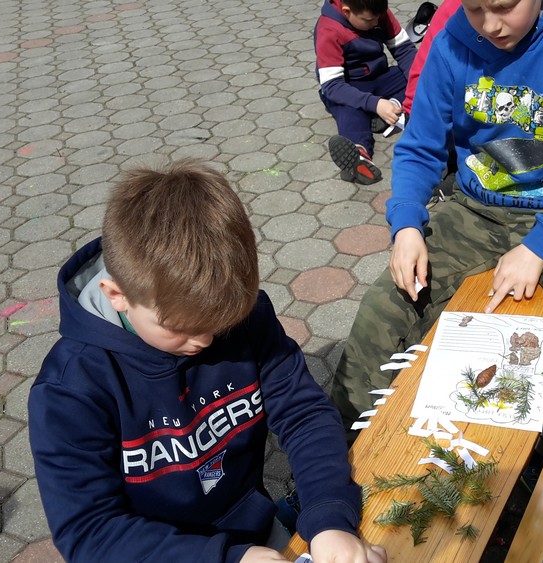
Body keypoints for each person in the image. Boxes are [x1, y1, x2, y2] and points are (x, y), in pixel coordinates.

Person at [28, 159, 385, 563]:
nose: (205, 340)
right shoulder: (71, 389)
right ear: (117, 295)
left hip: (254, 532)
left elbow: (303, 413)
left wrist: (329, 517)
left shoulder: (241, 317)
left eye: (220, 323)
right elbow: (90, 532)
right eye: (180, 327)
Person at [331, 0, 543, 431]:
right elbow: (419, 149)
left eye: (504, 7)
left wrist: (538, 245)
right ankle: (341, 444)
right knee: (385, 305)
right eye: (475, 9)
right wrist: (406, 226)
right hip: (475, 209)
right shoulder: (450, 45)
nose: (491, 25)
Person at [315, 0, 417, 185]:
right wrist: (375, 104)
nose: (376, 23)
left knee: (418, 75)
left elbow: (404, 50)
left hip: (380, 78)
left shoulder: (377, 12)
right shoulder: (329, 30)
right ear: (347, 11)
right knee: (349, 113)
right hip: (347, 87)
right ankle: (359, 155)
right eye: (369, 20)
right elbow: (332, 86)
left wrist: (418, 79)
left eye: (379, 17)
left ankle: (392, 108)